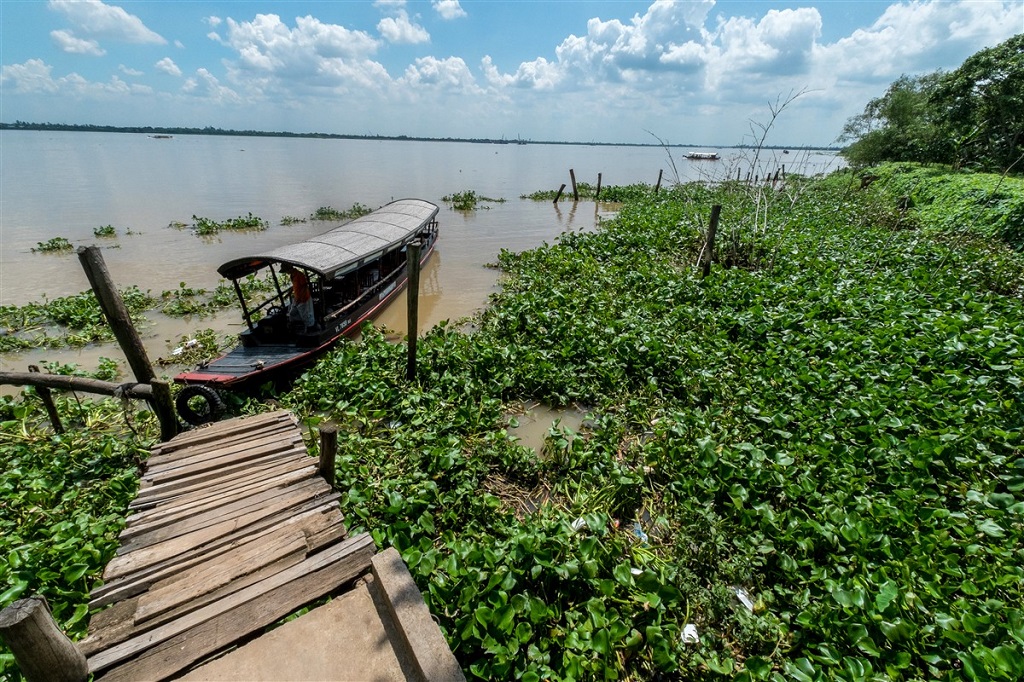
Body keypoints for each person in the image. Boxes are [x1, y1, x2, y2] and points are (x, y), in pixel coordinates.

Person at [280, 263, 315, 330]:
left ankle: (309, 328)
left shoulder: (299, 275)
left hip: (304, 298)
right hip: (297, 298)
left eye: (286, 271)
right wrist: (288, 294)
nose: (286, 273)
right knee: (292, 313)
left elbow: (304, 286)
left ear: (289, 269)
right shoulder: (292, 276)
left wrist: (300, 297)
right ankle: (297, 327)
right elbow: (294, 286)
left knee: (306, 315)